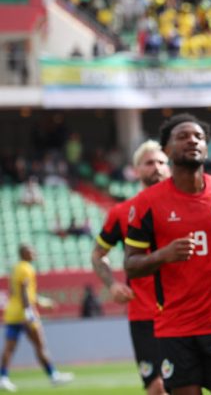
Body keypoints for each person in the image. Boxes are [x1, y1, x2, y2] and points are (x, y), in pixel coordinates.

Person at [124, 114, 211, 395]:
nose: (192, 140)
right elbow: (131, 265)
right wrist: (163, 255)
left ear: (206, 148)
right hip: (175, 329)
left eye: (198, 137)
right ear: (166, 150)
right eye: (182, 137)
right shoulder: (147, 203)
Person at [91, 139, 170, 395]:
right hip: (144, 315)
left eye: (161, 162)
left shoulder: (186, 208)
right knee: (156, 387)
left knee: (186, 386)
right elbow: (98, 254)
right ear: (136, 170)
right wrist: (112, 284)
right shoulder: (122, 212)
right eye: (149, 163)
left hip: (182, 311)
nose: (156, 167)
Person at [0, 245, 74, 391]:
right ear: (24, 253)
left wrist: (43, 302)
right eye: (31, 251)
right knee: (40, 345)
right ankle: (53, 376)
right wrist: (28, 312)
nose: (34, 253)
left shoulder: (16, 268)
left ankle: (3, 377)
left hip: (12, 314)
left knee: (10, 348)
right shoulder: (26, 268)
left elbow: (18, 292)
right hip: (25, 315)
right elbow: (24, 291)